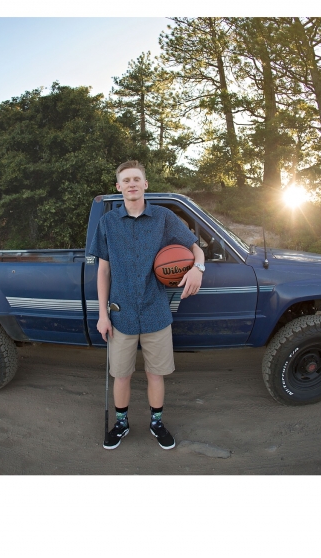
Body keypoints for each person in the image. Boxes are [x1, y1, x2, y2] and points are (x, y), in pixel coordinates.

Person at [87, 160, 205, 450]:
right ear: (119, 187)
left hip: (156, 312)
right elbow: (103, 270)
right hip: (121, 313)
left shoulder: (164, 218)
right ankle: (122, 424)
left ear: (145, 184)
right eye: (126, 180)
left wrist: (197, 268)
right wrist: (102, 314)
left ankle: (157, 423)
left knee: (156, 374)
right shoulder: (108, 223)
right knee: (121, 375)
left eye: (136, 179)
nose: (131, 184)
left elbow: (194, 247)